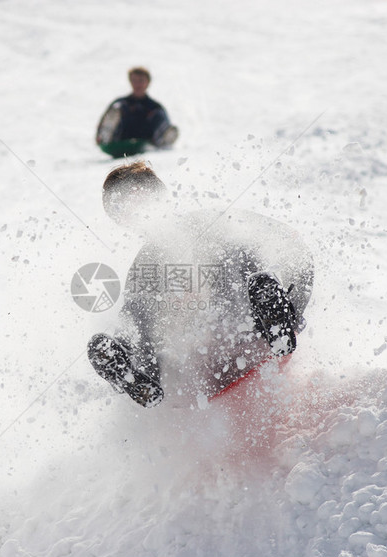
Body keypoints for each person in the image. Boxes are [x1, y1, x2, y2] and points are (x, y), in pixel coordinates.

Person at [86, 161, 314, 407]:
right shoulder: (146, 266)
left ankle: (275, 315)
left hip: (257, 325)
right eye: (121, 207)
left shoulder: (213, 224)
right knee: (137, 310)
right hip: (214, 357)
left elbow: (283, 246)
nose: (135, 210)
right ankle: (132, 366)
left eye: (139, 196)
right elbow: (136, 313)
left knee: (234, 246)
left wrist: (283, 289)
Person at [95, 67, 178, 158]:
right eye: (134, 80)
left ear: (147, 83)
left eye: (141, 80)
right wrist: (99, 137)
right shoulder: (121, 103)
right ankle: (105, 136)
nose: (137, 84)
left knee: (158, 115)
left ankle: (163, 138)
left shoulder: (155, 107)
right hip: (120, 140)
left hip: (144, 141)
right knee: (117, 110)